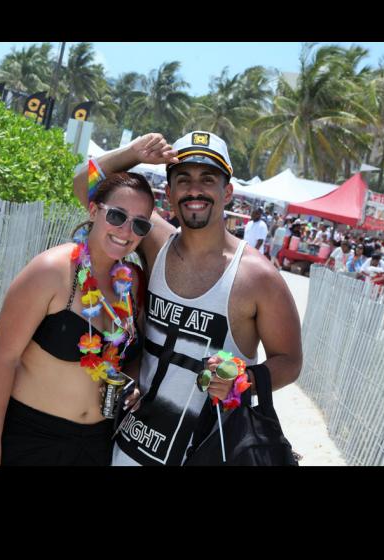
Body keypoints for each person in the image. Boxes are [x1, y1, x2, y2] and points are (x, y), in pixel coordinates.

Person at [72, 131, 303, 466]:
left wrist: (244, 380)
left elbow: (290, 360)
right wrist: (134, 153)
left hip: (205, 454)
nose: (195, 190)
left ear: (227, 192)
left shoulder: (258, 277)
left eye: (207, 179)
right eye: (183, 180)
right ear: (169, 193)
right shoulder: (156, 242)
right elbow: (84, 185)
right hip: (128, 446)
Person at [0, 172, 155, 466]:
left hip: (94, 446)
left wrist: (134, 382)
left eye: (139, 224)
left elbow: (135, 352)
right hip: (28, 438)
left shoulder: (132, 283)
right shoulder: (51, 271)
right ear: (94, 210)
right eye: (117, 216)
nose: (126, 230)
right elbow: (4, 358)